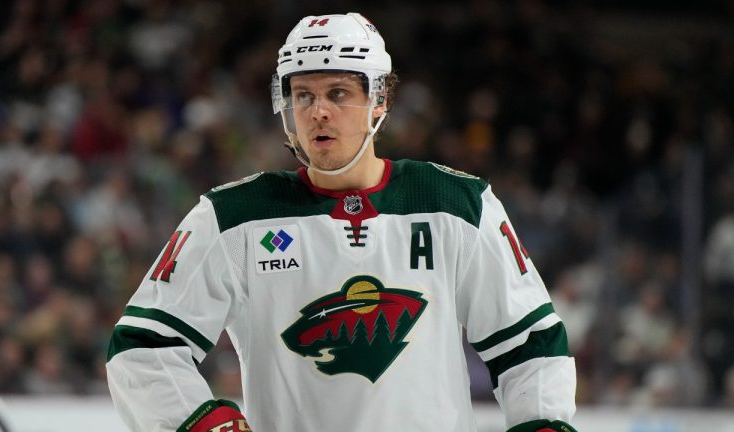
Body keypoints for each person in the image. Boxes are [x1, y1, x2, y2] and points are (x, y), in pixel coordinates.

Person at [106, 12, 578, 432]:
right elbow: (142, 346)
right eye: (303, 94)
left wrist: (543, 423)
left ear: (380, 101)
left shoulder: (457, 204)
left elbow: (530, 344)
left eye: (338, 93)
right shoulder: (233, 216)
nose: (318, 112)